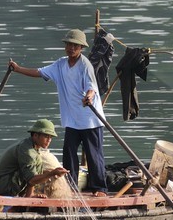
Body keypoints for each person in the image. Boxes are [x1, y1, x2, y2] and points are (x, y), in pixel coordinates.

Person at [8, 29, 108, 194]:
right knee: (68, 154)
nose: (71, 48)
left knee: (94, 155)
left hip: (90, 119)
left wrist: (89, 97)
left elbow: (92, 87)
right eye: (69, 44)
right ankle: (71, 187)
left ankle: (100, 188)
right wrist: (18, 69)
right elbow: (39, 72)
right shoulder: (60, 65)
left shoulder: (85, 65)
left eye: (75, 46)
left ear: (81, 48)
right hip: (72, 120)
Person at [0, 118, 71, 197]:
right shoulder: (27, 151)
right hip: (3, 188)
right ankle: (28, 195)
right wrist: (52, 173)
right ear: (35, 135)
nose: (49, 140)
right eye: (46, 136)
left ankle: (29, 194)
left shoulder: (34, 148)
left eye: (50, 137)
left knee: (40, 170)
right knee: (37, 175)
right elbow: (31, 179)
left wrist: (50, 172)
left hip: (11, 183)